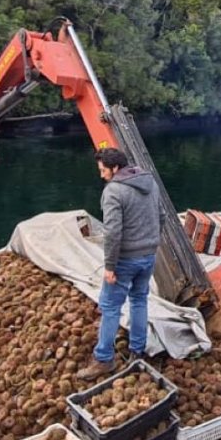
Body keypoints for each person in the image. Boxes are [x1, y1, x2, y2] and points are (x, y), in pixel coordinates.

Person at [78, 148, 162, 381]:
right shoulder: (150, 182)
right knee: (138, 300)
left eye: (103, 170)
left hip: (125, 260)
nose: (102, 175)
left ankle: (104, 359)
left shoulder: (113, 191)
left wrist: (110, 266)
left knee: (110, 307)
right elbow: (162, 215)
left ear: (115, 168)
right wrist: (152, 244)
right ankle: (137, 351)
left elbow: (113, 233)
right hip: (148, 255)